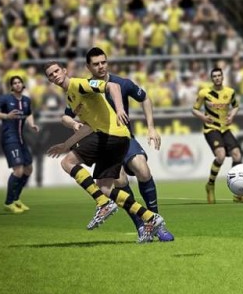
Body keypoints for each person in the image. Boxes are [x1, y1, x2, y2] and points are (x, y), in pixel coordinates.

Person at [43, 61, 171, 244]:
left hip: (112, 135)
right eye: (50, 74)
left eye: (56, 71)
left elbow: (113, 86)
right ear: (49, 80)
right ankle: (150, 217)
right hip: (109, 136)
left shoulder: (80, 84)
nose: (54, 75)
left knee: (68, 163)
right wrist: (66, 145)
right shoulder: (71, 97)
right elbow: (88, 127)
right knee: (105, 188)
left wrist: (119, 109)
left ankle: (103, 203)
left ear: (64, 70)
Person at [0, 75, 39, 213]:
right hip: (9, 138)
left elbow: (29, 113)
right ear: (11, 86)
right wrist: (6, 116)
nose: (17, 84)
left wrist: (32, 124)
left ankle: (16, 199)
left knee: (28, 169)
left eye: (19, 82)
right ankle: (8, 203)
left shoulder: (26, 100)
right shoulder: (5, 99)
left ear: (23, 84)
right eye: (14, 83)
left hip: (21, 139)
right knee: (18, 170)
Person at [192, 67, 243, 203]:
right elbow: (194, 109)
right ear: (212, 79)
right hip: (211, 128)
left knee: (237, 155)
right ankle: (210, 185)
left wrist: (232, 116)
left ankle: (237, 193)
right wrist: (203, 117)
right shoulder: (205, 93)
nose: (217, 78)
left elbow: (236, 106)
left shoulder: (230, 92)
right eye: (214, 76)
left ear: (222, 77)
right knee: (220, 155)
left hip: (225, 128)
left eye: (219, 75)